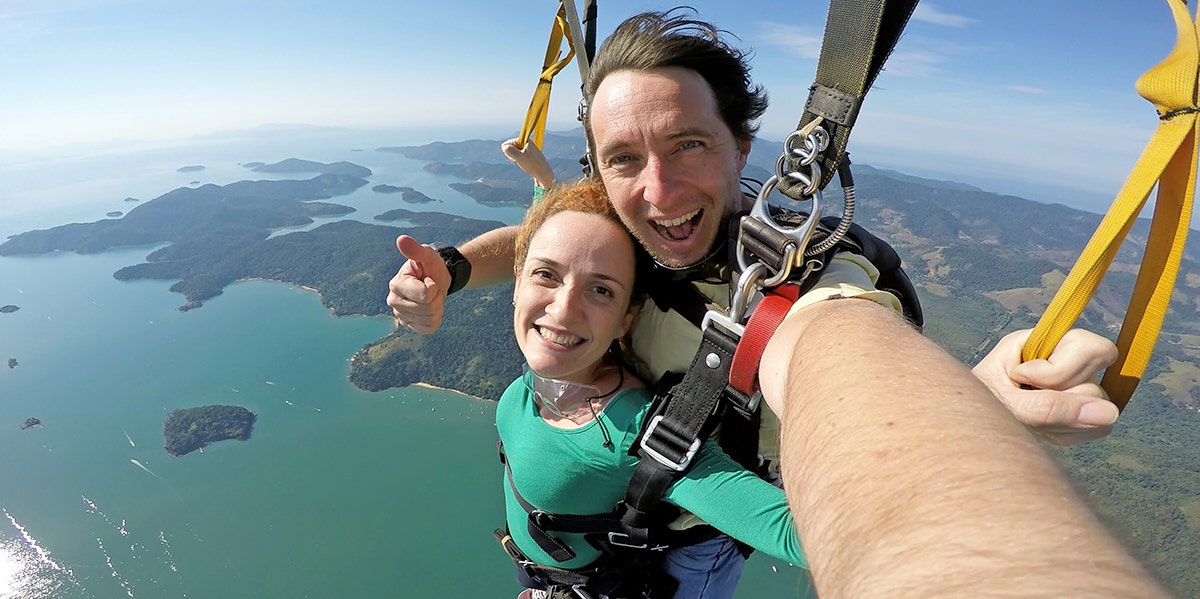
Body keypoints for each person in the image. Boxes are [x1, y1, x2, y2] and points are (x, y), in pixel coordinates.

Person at [389, 7, 1143, 595]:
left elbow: (835, 344)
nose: (658, 191)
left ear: (742, 150)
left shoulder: (801, 282)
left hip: (676, 556)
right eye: (625, 158)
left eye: (689, 144)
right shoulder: (622, 233)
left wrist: (960, 415)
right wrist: (451, 271)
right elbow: (551, 236)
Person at [492, 178, 807, 598]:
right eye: (546, 274)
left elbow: (790, 532)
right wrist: (539, 179)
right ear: (519, 282)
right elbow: (548, 239)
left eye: (601, 290)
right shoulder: (553, 361)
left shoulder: (637, 432)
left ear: (626, 319)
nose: (562, 310)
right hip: (536, 576)